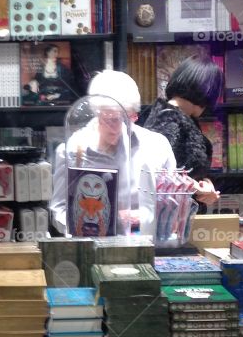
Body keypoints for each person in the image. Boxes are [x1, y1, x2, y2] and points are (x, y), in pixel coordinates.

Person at [49, 70, 175, 235]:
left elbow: (171, 206)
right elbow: (58, 208)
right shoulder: (73, 149)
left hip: (144, 247)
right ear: (95, 112)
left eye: (127, 117)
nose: (118, 127)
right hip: (90, 247)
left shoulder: (156, 146)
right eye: (110, 118)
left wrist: (141, 216)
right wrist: (80, 227)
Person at [141, 55, 223, 206]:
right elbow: (160, 174)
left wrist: (205, 183)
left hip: (177, 214)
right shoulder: (167, 119)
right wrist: (198, 188)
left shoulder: (177, 117)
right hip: (168, 217)